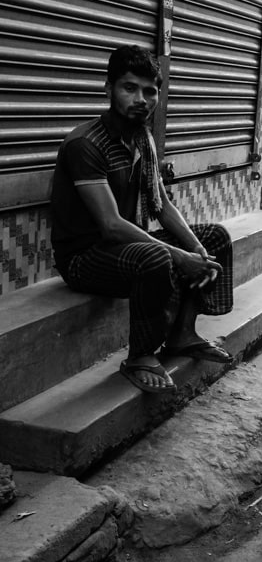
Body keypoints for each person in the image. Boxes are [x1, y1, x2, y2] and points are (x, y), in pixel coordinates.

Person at [50, 44, 234, 394]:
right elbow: (111, 225)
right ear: (108, 89)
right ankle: (139, 356)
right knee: (158, 256)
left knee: (214, 238)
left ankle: (182, 334)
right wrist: (180, 257)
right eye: (129, 88)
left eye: (150, 91)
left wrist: (195, 249)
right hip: (85, 258)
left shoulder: (143, 138)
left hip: (123, 248)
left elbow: (161, 203)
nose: (141, 99)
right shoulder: (85, 144)